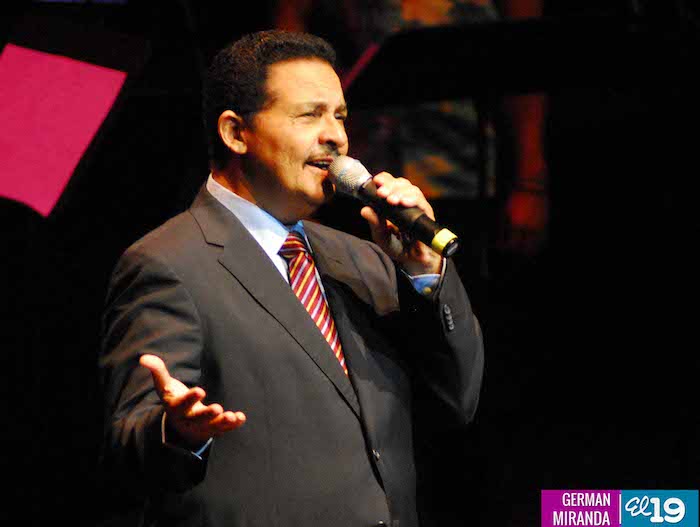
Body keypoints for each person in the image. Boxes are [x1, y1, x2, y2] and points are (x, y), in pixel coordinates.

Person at [98, 30, 483, 527]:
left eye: (339, 115)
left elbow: (456, 402)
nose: (335, 136)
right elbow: (127, 448)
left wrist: (424, 272)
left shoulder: (362, 260)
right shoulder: (167, 264)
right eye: (309, 115)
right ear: (236, 133)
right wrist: (176, 434)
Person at [274, 0, 549, 257]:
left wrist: (530, 183)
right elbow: (290, 29)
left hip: (464, 170)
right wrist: (299, 195)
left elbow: (526, 63)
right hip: (355, 174)